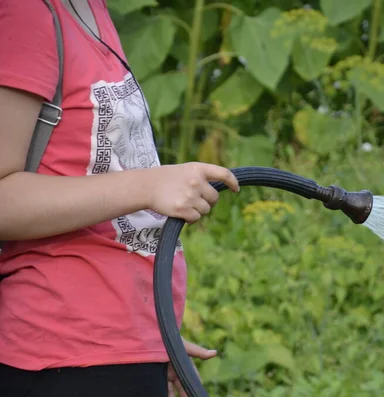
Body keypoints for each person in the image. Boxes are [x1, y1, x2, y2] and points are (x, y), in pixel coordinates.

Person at [0, 1, 239, 396]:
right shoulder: (26, 14)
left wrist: (145, 335)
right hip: (63, 354)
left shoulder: (90, 9)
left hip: (122, 347)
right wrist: (147, 187)